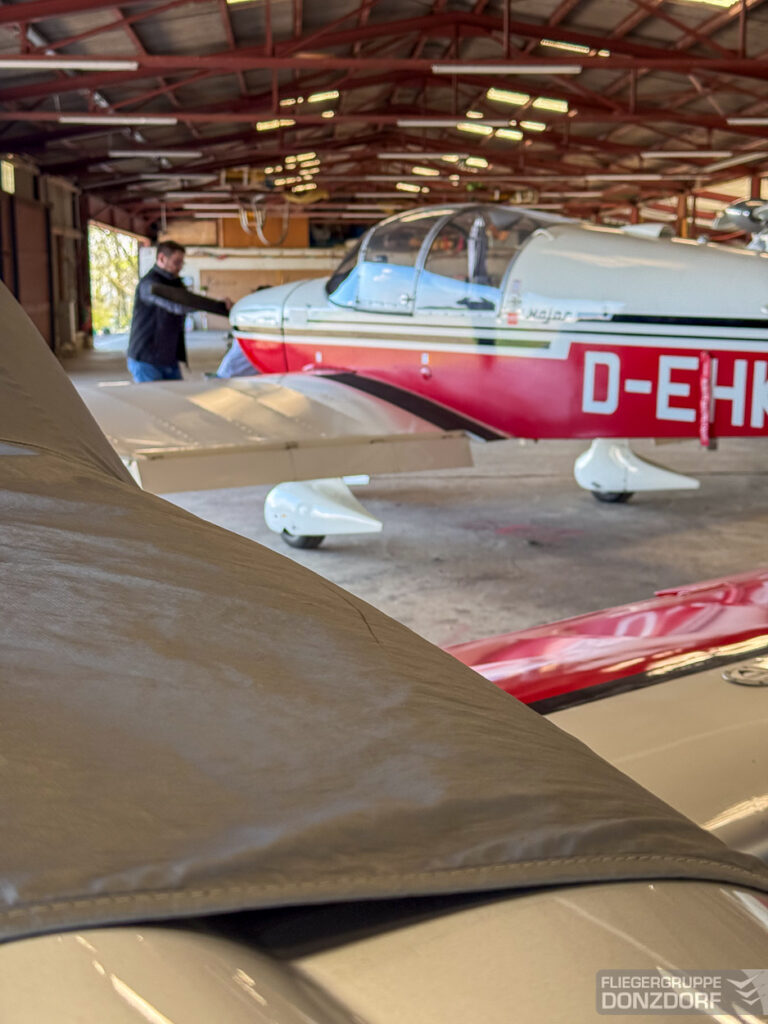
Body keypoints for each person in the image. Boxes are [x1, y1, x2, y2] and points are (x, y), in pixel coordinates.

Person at [126, 240, 231, 382]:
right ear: (162, 258)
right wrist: (218, 306)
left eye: (182, 263)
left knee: (176, 395)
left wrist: (218, 302)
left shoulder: (175, 283)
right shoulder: (149, 285)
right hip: (146, 360)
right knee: (154, 396)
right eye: (176, 262)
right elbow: (179, 305)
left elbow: (188, 299)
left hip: (169, 359)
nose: (180, 267)